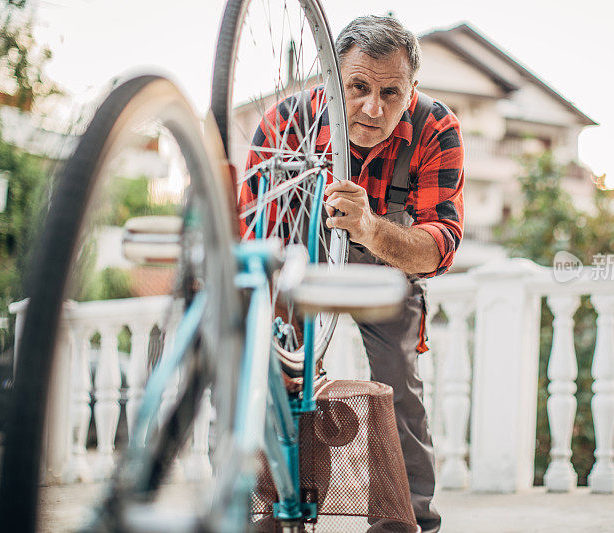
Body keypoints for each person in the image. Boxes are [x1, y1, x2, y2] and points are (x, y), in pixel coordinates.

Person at [240, 15, 465, 533]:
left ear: (411, 92)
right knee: (270, 376)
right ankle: (262, 518)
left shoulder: (435, 128)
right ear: (330, 80)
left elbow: (440, 247)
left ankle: (407, 524)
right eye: (358, 87)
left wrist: (368, 227)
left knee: (398, 388)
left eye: (391, 93)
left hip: (387, 259)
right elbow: (254, 236)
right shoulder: (285, 124)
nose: (372, 108)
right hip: (295, 257)